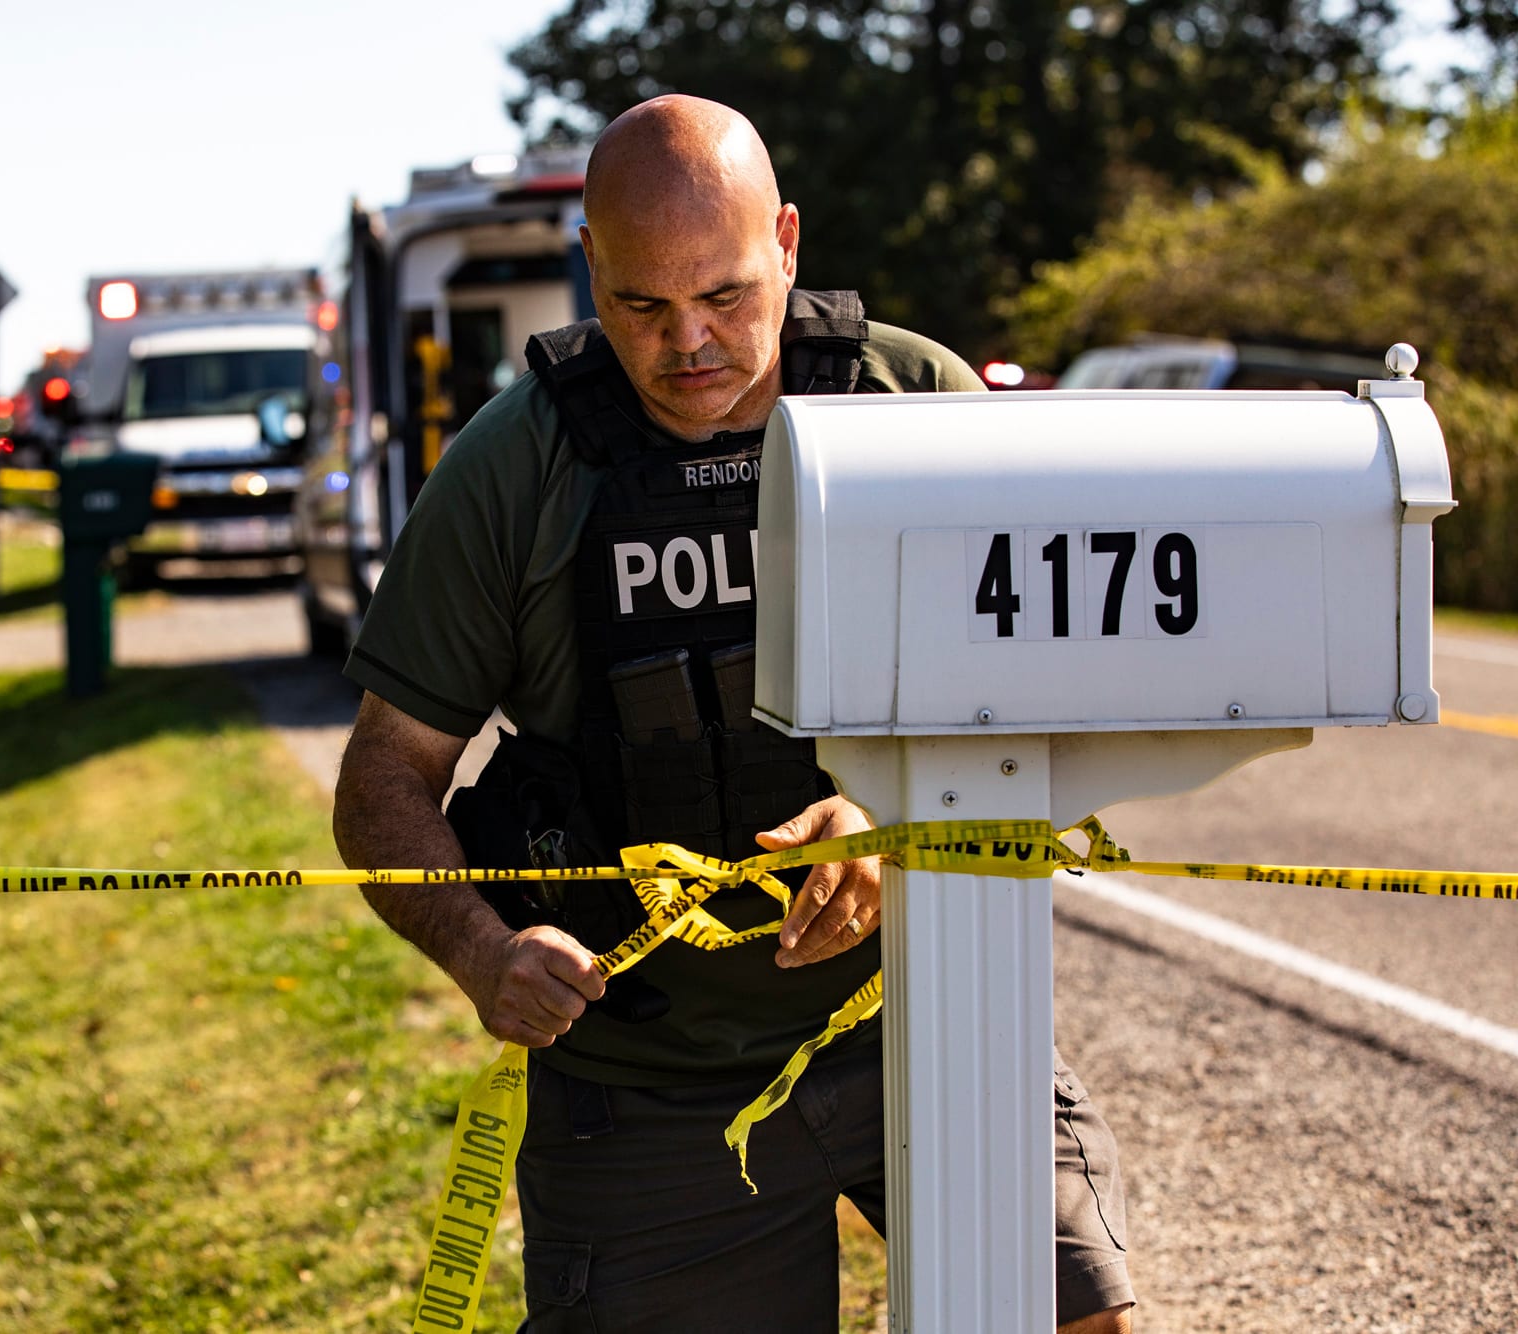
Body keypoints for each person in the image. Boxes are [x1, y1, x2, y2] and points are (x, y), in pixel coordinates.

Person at [334, 94, 1135, 1333]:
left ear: (790, 244)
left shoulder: (914, 403)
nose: (688, 343)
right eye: (641, 306)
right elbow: (383, 780)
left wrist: (887, 820)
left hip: (925, 1018)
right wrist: (482, 951)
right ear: (587, 265)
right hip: (648, 1084)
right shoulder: (510, 467)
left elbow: (1067, 698)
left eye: (725, 295)